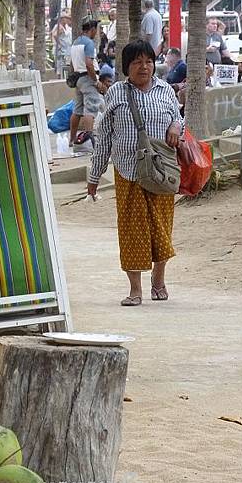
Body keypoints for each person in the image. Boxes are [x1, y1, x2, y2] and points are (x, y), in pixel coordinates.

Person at [87, 39, 184, 306]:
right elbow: (104, 137)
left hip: (161, 171)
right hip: (128, 171)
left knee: (161, 227)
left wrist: (176, 126)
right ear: (126, 67)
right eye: (137, 62)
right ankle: (135, 289)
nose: (144, 67)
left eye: (148, 61)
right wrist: (94, 177)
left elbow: (178, 119)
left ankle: (159, 280)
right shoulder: (116, 93)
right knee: (131, 229)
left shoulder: (165, 90)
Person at [69, 16, 105, 146]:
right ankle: (88, 142)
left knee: (77, 110)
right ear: (92, 29)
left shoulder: (76, 42)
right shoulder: (89, 43)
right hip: (88, 78)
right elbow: (89, 64)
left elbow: (71, 64)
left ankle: (72, 140)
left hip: (78, 78)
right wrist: (95, 81)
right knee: (91, 108)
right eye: (96, 29)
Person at [52, 11, 72, 78]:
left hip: (66, 49)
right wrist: (60, 44)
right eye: (65, 18)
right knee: (60, 66)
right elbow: (55, 35)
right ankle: (60, 79)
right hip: (61, 50)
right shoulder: (60, 27)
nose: (67, 19)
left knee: (64, 65)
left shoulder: (65, 27)